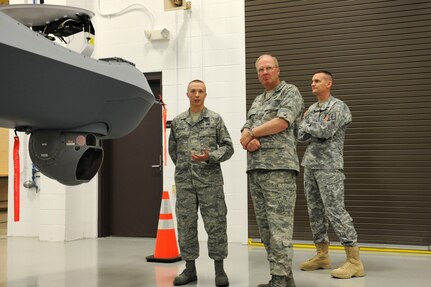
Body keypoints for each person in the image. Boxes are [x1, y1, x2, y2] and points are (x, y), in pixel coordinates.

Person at [240, 54, 304, 287]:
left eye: (268, 68)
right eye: (260, 70)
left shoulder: (290, 92)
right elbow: (246, 127)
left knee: (280, 227)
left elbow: (282, 122)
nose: (264, 72)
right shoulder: (258, 99)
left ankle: (279, 279)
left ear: (278, 69)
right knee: (266, 229)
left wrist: (253, 134)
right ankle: (284, 277)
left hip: (279, 169)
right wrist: (247, 138)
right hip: (256, 169)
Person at [297, 70, 365, 279]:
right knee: (315, 212)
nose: (313, 84)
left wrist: (310, 127)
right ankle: (322, 255)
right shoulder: (312, 109)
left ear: (329, 84)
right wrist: (313, 126)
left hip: (330, 166)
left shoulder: (338, 107)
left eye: (317, 81)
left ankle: (354, 261)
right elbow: (300, 134)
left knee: (335, 211)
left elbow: (326, 131)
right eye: (312, 81)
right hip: (310, 165)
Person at [168, 79, 234, 286]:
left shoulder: (215, 119)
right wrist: (184, 168)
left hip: (210, 183)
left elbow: (228, 147)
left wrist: (210, 157)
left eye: (201, 91)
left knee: (216, 225)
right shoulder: (178, 122)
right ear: (187, 94)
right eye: (193, 91)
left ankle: (219, 270)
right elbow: (173, 150)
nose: (197, 94)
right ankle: (189, 269)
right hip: (185, 183)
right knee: (186, 225)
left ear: (206, 94)